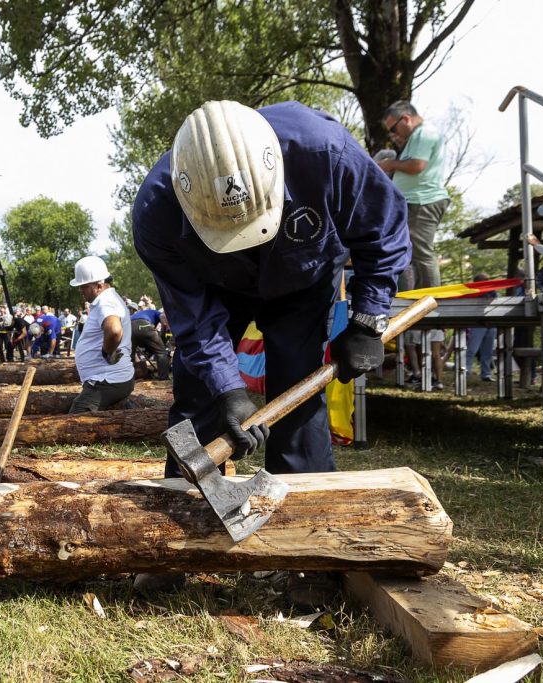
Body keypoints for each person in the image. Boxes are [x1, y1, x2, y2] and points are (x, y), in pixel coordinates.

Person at [132, 100, 409, 604]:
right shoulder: (156, 212)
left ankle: (310, 552)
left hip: (302, 280)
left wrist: (368, 318)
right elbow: (195, 321)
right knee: (197, 400)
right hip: (216, 288)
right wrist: (228, 390)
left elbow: (383, 229)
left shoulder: (326, 153)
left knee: (297, 397)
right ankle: (177, 540)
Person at [376, 101, 450, 390]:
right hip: (416, 202)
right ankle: (422, 294)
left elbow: (417, 166)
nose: (394, 136)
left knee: (421, 251)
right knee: (412, 253)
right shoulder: (416, 137)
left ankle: (431, 297)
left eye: (394, 129)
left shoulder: (423, 134)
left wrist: (389, 164)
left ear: (405, 119)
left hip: (423, 201)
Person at [68, 256, 135, 412]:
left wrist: (107, 352)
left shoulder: (106, 302)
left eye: (83, 286)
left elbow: (114, 330)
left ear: (98, 286)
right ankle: (124, 407)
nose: (80, 290)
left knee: (75, 421)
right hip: (107, 379)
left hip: (107, 380)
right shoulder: (106, 299)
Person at [464, 273, 495, 382]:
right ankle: (466, 371)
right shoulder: (472, 292)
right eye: (484, 280)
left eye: (488, 279)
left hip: (491, 323)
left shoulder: (493, 291)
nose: (487, 281)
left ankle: (486, 374)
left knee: (488, 351)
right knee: (472, 349)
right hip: (477, 324)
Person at [130, 304, 171, 380]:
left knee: (130, 355)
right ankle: (163, 378)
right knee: (161, 352)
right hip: (144, 325)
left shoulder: (139, 314)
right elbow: (163, 318)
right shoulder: (156, 312)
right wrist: (165, 333)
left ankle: (130, 378)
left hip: (129, 328)